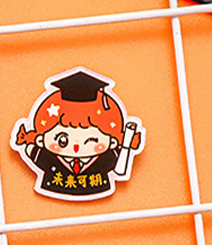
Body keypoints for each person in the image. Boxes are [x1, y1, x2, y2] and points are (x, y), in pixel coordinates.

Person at [12, 69, 143, 199]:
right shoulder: (47, 156)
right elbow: (31, 151)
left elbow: (119, 168)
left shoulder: (107, 157)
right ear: (42, 139)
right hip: (52, 188)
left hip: (98, 188)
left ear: (112, 142)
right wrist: (29, 140)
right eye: (62, 140)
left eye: (92, 140)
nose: (76, 147)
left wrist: (126, 145)